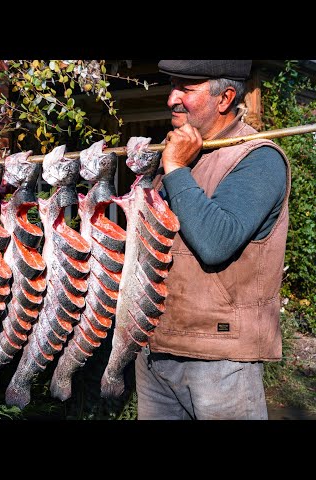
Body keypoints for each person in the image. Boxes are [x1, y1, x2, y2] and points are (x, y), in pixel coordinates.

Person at [134, 60, 291, 420]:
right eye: (172, 85)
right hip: (156, 350)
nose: (172, 98)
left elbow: (215, 241)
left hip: (220, 362)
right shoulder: (182, 155)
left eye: (186, 89)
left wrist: (174, 169)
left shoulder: (258, 158)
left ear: (225, 99)